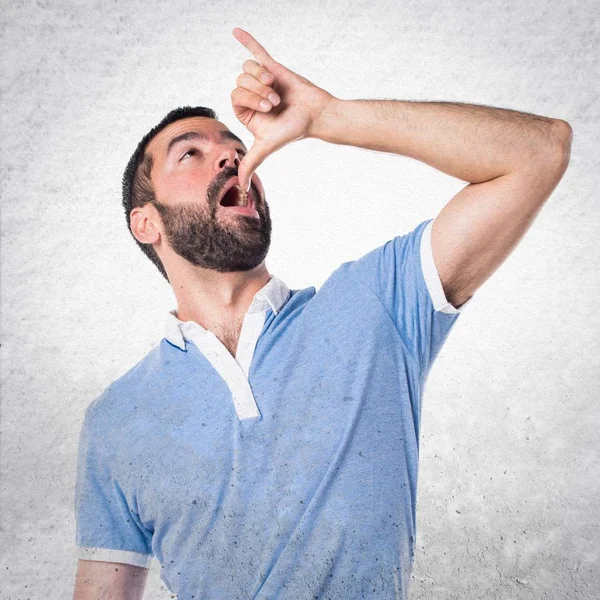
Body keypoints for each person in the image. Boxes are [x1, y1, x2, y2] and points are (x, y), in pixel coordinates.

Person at [72, 27, 572, 600]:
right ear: (147, 222)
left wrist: (327, 116)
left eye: (235, 149)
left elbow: (540, 151)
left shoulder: (377, 305)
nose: (233, 158)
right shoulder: (115, 421)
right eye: (193, 153)